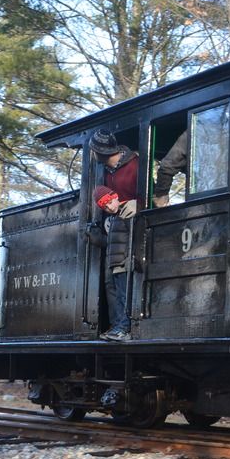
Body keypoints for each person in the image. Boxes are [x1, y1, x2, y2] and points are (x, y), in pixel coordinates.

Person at [94, 185, 137, 342]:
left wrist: (130, 257)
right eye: (105, 206)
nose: (109, 207)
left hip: (124, 262)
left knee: (125, 297)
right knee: (119, 298)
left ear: (115, 197)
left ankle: (124, 328)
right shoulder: (112, 219)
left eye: (110, 202)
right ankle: (118, 326)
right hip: (116, 264)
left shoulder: (130, 209)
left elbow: (133, 235)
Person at [89, 129, 138, 203]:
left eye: (93, 151)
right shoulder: (105, 172)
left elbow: (150, 196)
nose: (93, 154)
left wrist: (135, 205)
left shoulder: (135, 165)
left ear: (99, 152)